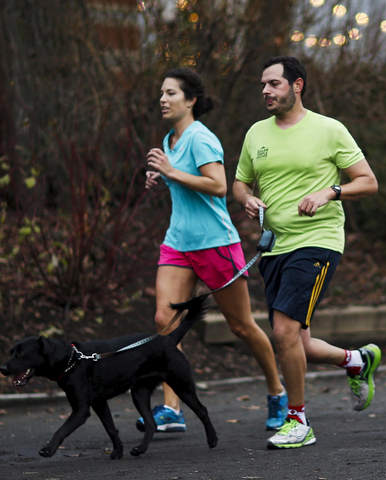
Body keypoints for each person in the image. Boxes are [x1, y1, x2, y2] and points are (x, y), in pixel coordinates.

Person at [233, 56, 380, 450]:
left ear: (297, 86)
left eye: (274, 84)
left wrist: (330, 191)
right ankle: (356, 361)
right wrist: (247, 199)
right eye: (263, 84)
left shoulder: (329, 130)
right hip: (274, 248)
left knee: (283, 331)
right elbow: (239, 184)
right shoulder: (256, 134)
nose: (266, 90)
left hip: (318, 242)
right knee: (297, 342)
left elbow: (368, 182)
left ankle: (297, 420)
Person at [138, 68, 287, 433]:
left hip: (216, 244)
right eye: (161, 93)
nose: (162, 99)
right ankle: (172, 409)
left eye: (171, 93)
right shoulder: (170, 139)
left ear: (190, 100)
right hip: (178, 244)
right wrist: (161, 177)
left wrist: (171, 172)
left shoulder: (201, 138)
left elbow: (218, 186)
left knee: (241, 326)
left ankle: (278, 392)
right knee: (164, 323)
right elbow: (185, 184)